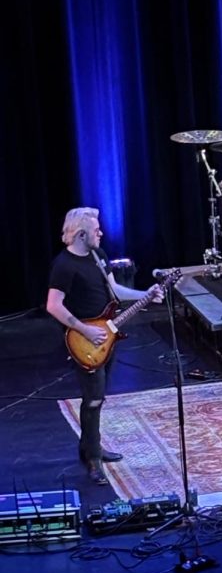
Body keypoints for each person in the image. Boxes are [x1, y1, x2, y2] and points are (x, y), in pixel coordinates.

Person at [45, 207, 164, 485]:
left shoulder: (98, 256)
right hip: (85, 339)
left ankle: (90, 447)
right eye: (96, 230)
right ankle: (93, 459)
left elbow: (115, 292)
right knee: (93, 397)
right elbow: (53, 305)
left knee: (98, 396)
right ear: (82, 234)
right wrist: (85, 329)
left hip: (106, 336)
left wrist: (145, 294)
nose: (101, 233)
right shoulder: (64, 265)